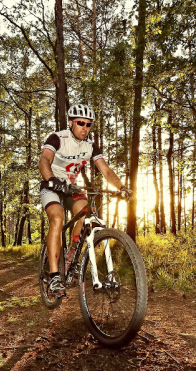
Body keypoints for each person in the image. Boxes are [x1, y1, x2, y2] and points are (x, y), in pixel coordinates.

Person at [39, 104, 130, 297]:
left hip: (72, 188)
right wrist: (52, 179)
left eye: (89, 124)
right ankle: (54, 276)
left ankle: (71, 254)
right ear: (71, 122)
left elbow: (106, 170)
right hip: (52, 186)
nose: (85, 127)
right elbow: (44, 161)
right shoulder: (57, 138)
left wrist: (122, 188)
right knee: (57, 218)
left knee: (85, 215)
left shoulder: (90, 145)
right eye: (81, 123)